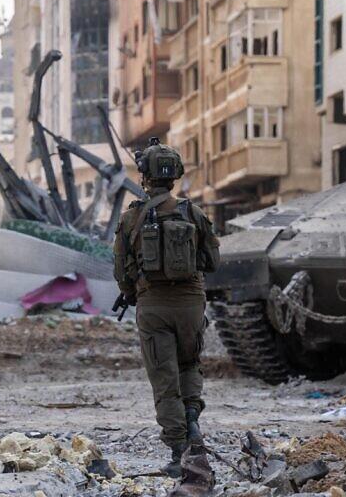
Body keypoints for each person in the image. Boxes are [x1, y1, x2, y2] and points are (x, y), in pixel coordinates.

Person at [112, 137, 220, 478]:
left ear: (145, 177)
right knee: (190, 364)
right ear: (175, 175)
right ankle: (192, 422)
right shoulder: (194, 212)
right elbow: (213, 261)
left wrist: (132, 291)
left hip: (153, 305)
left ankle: (179, 451)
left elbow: (119, 269)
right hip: (191, 303)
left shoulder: (132, 219)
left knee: (164, 378)